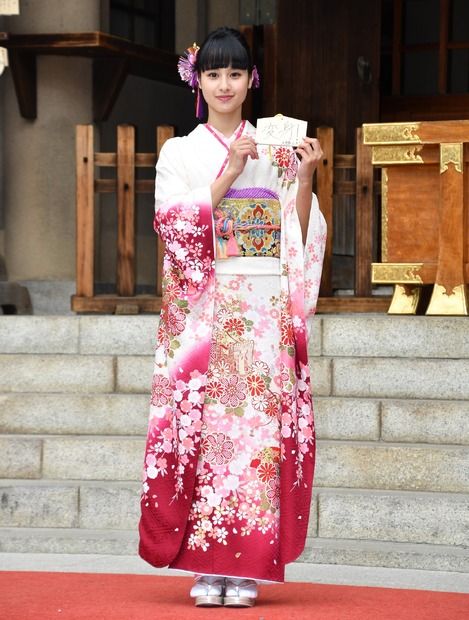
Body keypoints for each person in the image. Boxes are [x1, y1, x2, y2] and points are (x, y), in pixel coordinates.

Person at [138, 26, 326, 608]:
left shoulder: (275, 144)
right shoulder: (180, 151)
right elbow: (172, 226)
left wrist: (305, 176)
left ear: (252, 81)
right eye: (214, 74)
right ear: (199, 81)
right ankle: (203, 562)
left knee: (254, 436)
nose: (225, 84)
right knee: (206, 433)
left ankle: (246, 568)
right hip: (206, 311)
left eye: (236, 74)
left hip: (263, 305)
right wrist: (225, 177)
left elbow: (299, 232)